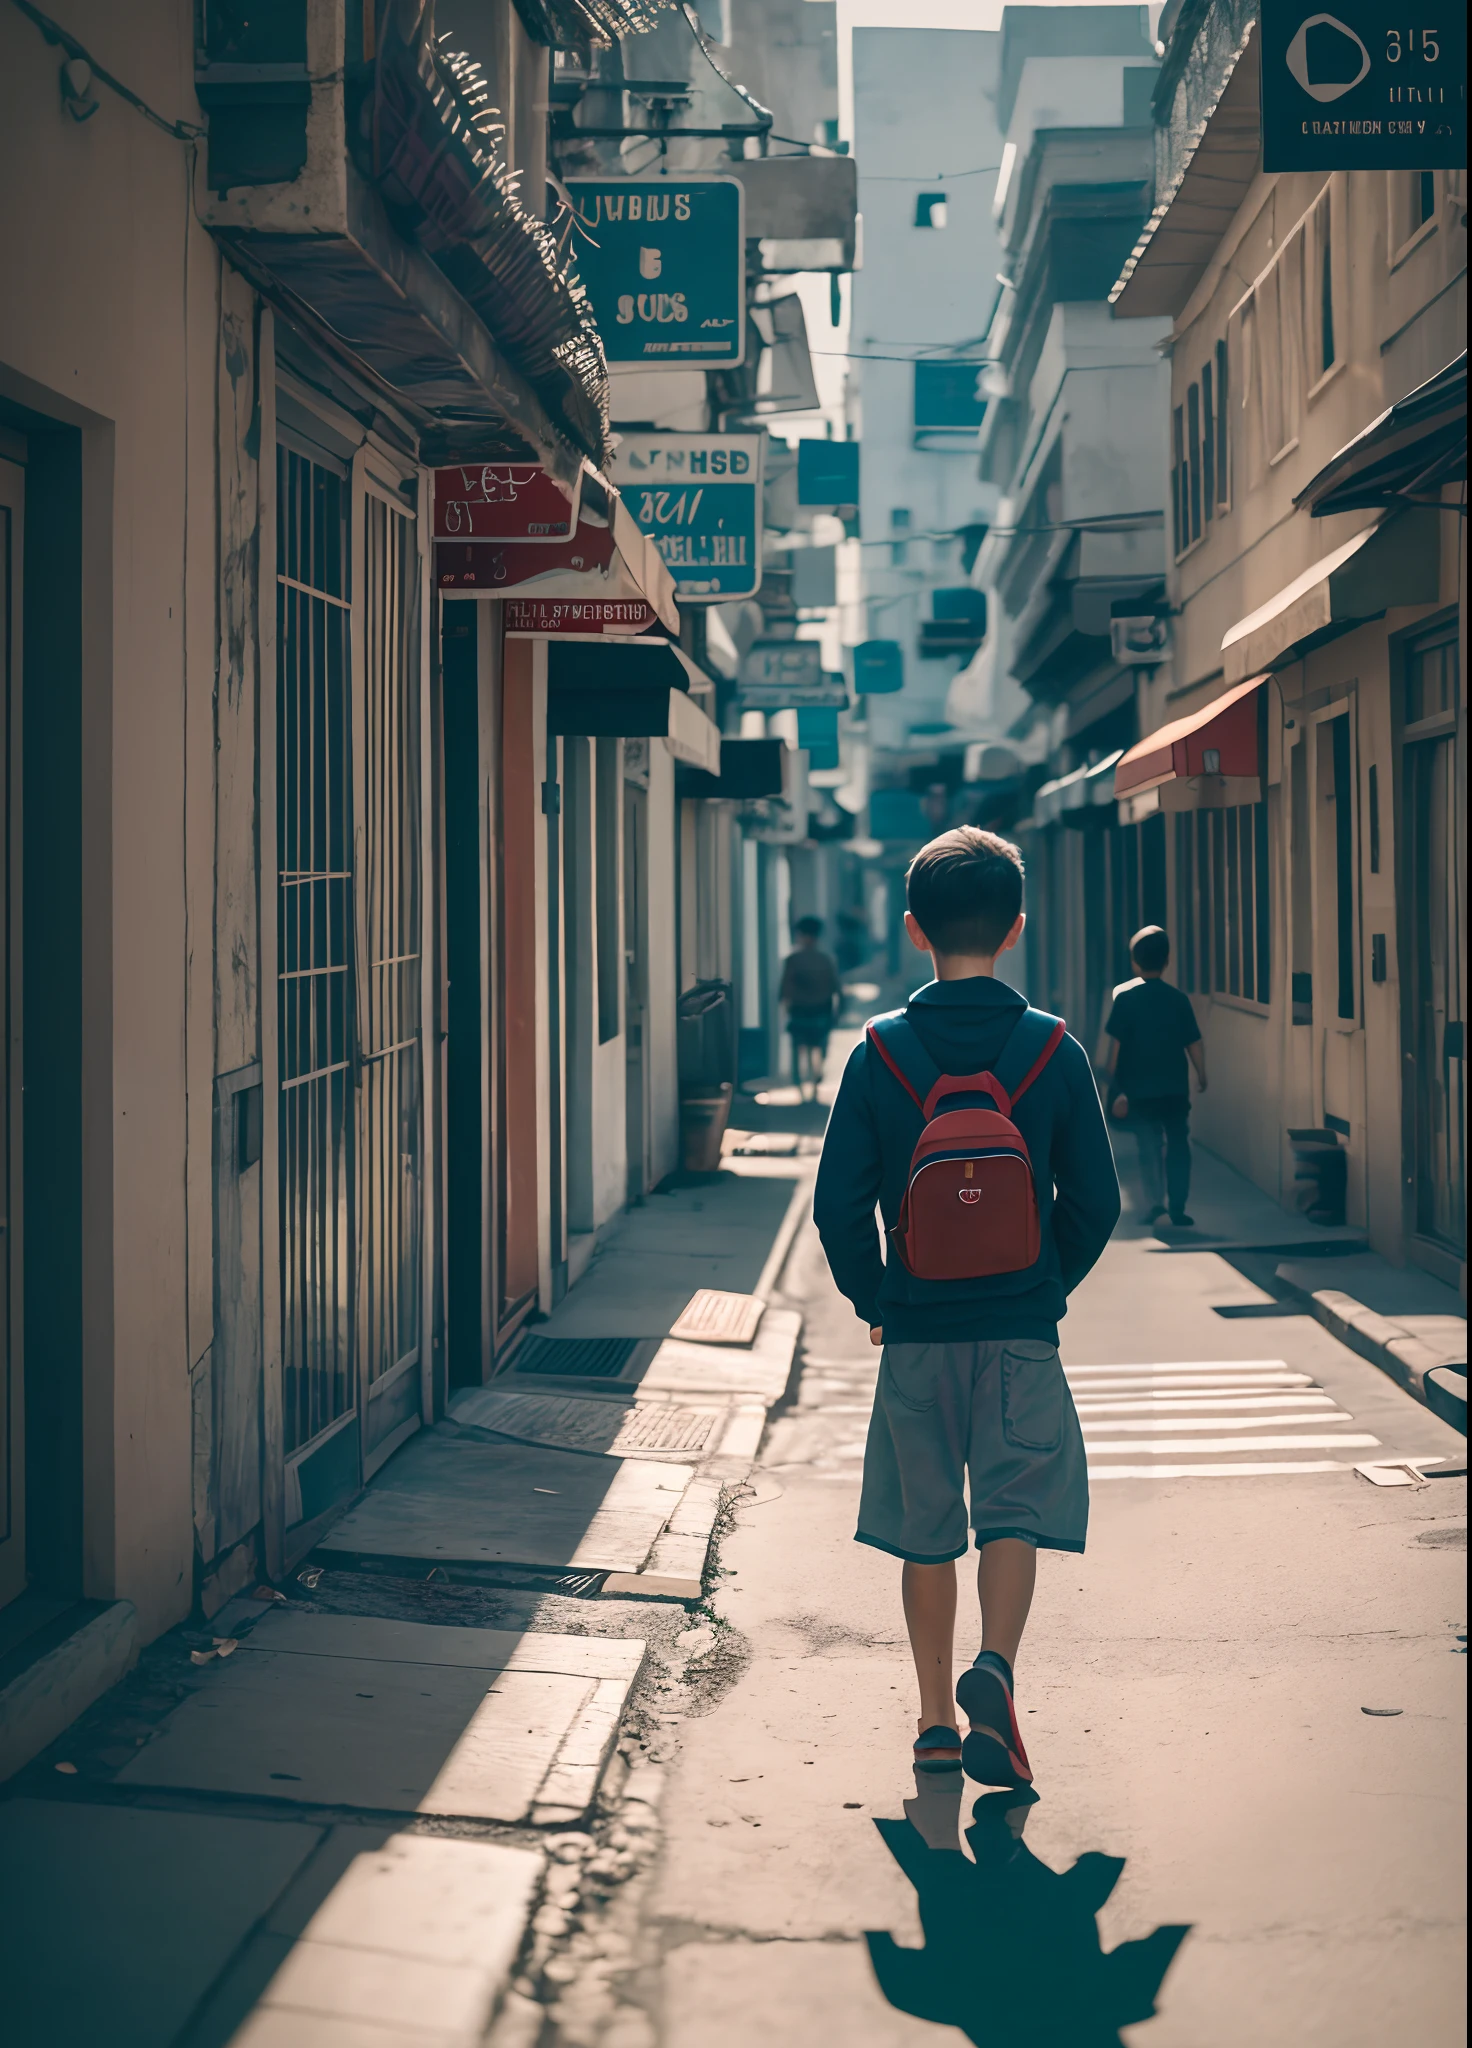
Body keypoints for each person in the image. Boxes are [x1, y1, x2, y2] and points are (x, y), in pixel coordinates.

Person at [813, 828, 1119, 1789]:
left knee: (926, 1528)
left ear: (913, 931)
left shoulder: (879, 1054)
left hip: (917, 1332)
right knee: (1013, 1513)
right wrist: (1044, 1288)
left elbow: (836, 1205)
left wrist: (880, 1297)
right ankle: (999, 1669)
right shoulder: (1053, 1050)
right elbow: (1098, 1201)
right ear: (1017, 928)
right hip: (1020, 1330)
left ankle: (937, 1721)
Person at [1104, 925, 1207, 1229]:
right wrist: (1202, 1073)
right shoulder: (1178, 999)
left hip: (1139, 1090)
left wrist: (1113, 1082)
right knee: (1178, 1143)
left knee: (1148, 1145)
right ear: (1168, 960)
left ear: (1135, 962)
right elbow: (1194, 1042)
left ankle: (1154, 1204)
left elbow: (1115, 1048)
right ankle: (1178, 1206)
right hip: (1174, 1087)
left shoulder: (1125, 999)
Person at [779, 915, 841, 1102]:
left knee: (799, 1047)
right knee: (818, 1047)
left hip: (799, 1009)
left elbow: (785, 987)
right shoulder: (826, 959)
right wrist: (838, 1011)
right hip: (821, 1009)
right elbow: (836, 987)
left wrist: (784, 1004)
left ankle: (801, 1086)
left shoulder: (793, 959)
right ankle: (814, 1083)